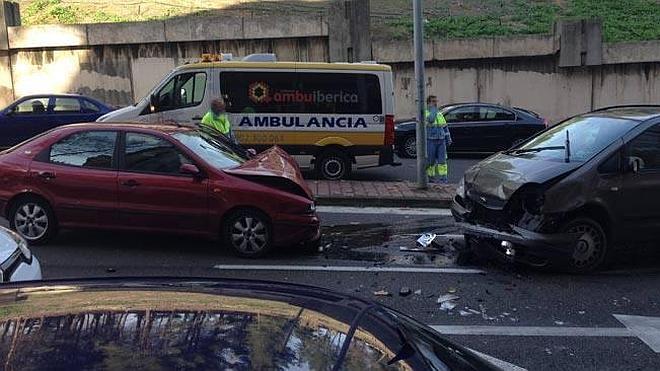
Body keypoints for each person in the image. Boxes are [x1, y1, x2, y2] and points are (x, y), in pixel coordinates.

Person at [425, 95, 451, 183]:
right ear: (428, 103)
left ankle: (443, 180)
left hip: (441, 140)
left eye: (436, 101)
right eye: (433, 101)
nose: (435, 103)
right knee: (431, 162)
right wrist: (433, 110)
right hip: (430, 140)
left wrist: (448, 138)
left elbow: (445, 127)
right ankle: (431, 179)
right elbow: (431, 120)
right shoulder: (426, 113)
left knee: (442, 162)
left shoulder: (439, 113)